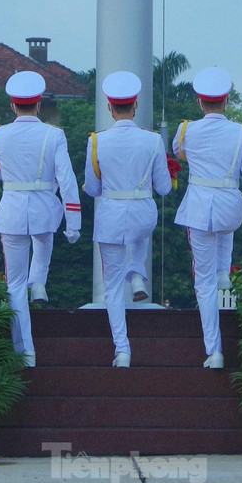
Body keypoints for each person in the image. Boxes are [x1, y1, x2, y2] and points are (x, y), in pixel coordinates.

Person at [0, 70, 81, 368]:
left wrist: (12, 178)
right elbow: (67, 178)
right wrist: (73, 222)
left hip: (12, 207)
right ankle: (40, 283)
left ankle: (25, 351)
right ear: (39, 104)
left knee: (14, 284)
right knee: (43, 239)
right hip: (43, 206)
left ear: (13, 105)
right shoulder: (54, 134)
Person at [171, 67, 242, 369]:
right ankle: (224, 271)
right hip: (230, 207)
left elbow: (178, 153)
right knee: (224, 229)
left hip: (200, 207)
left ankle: (214, 350)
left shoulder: (186, 130)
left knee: (203, 284)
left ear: (201, 102)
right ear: (227, 101)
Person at [83, 71, 173, 368]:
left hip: (111, 214)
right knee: (138, 231)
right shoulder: (153, 141)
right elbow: (164, 188)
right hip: (142, 212)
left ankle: (122, 349)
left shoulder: (97, 142)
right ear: (135, 106)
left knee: (111, 288)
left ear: (110, 108)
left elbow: (93, 188)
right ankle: (136, 275)